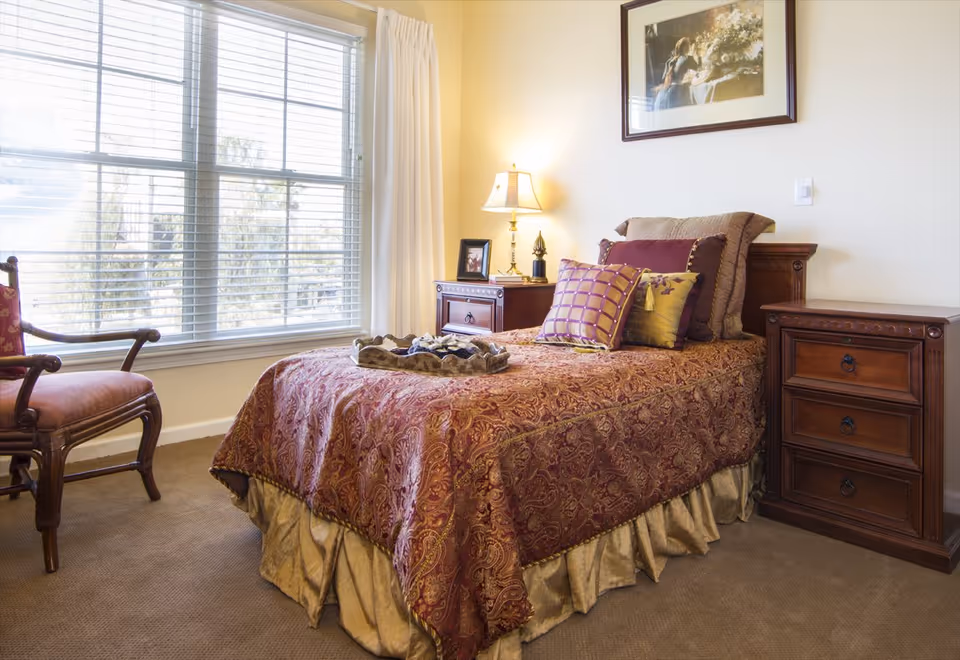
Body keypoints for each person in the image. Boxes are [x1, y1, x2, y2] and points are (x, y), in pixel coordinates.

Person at [653, 37, 699, 111]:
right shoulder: (687, 59)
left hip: (671, 89)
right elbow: (697, 71)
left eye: (688, 45)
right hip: (680, 91)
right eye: (686, 45)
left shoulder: (672, 60)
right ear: (682, 47)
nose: (688, 47)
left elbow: (666, 77)